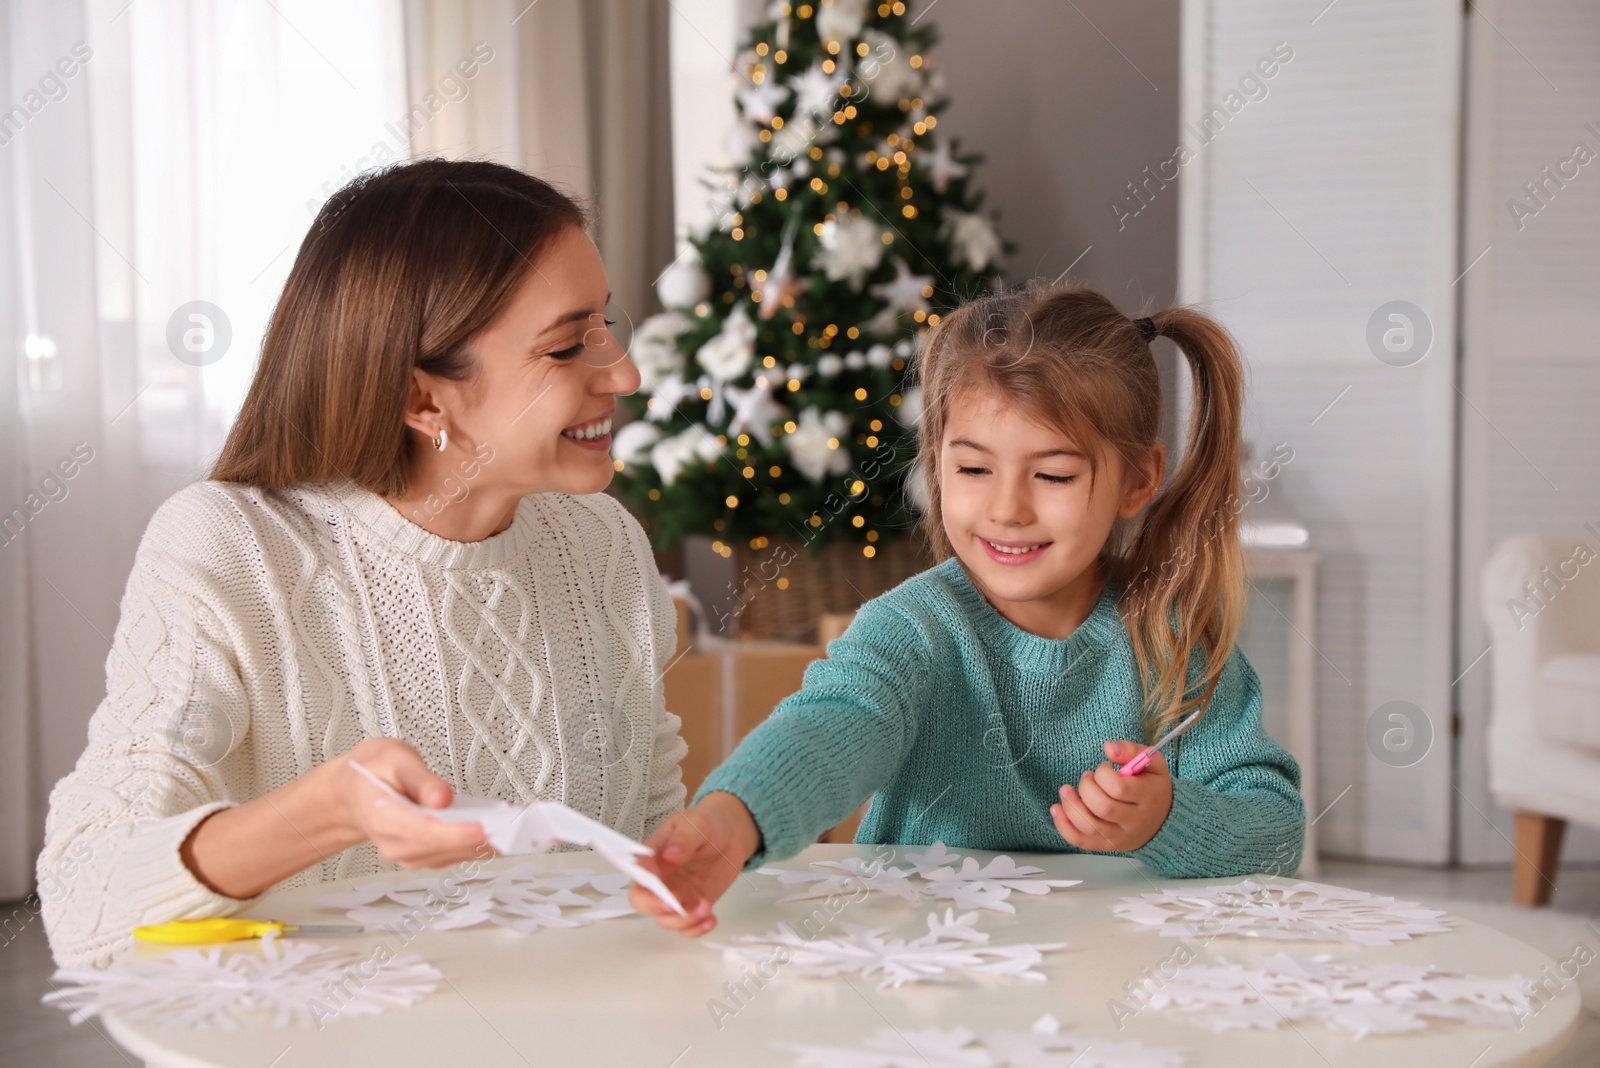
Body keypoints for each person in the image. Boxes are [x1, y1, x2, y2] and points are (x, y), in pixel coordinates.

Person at [38, 160, 687, 968]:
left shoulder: (603, 543)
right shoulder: (231, 549)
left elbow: (650, 833)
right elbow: (81, 898)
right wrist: (332, 810)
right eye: (566, 347)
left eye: (607, 327)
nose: (623, 374)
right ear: (424, 401)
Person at [631, 285, 1305, 937]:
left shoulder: (1175, 641)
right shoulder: (912, 630)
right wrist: (731, 817)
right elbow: (830, 729)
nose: (1007, 508)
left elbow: (1276, 837)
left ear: (1138, 480)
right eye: (974, 470)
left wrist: (1168, 820)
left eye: (1054, 475)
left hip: (1107, 986)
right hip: (929, 974)